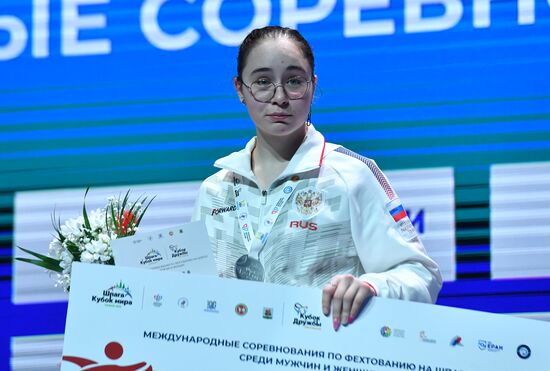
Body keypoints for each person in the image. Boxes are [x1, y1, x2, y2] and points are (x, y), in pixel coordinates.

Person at [192, 26, 442, 331]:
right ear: (240, 90)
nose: (279, 97)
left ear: (313, 85)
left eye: (294, 81)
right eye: (262, 82)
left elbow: (421, 275)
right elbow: (193, 296)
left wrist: (374, 287)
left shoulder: (351, 174)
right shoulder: (214, 190)